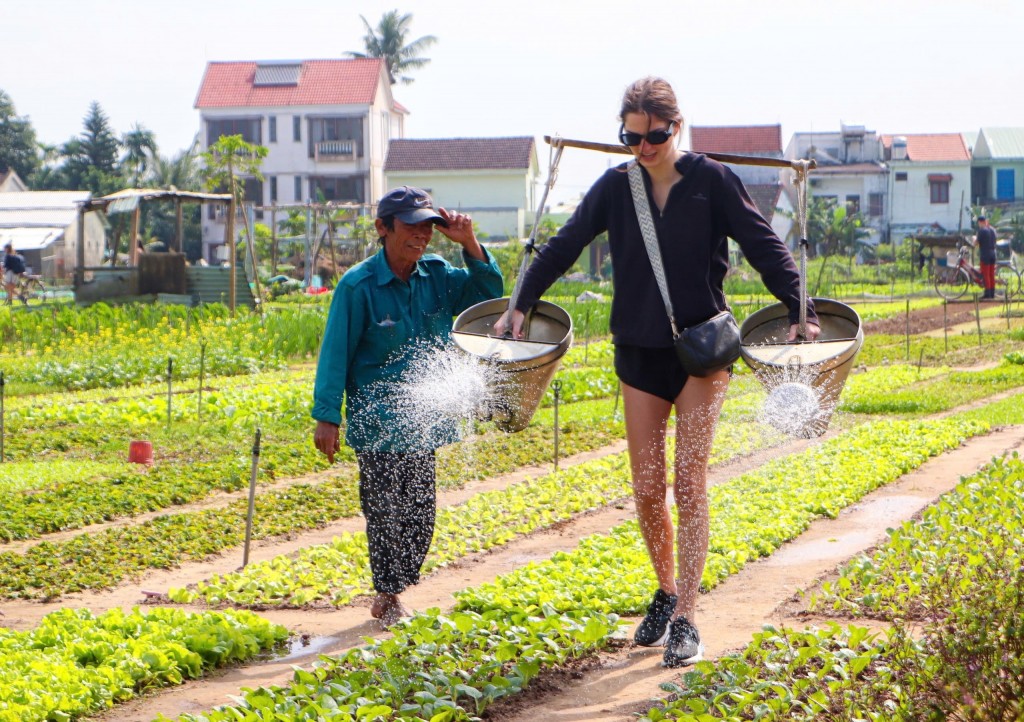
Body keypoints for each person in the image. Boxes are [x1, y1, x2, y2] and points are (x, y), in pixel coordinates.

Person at [495, 77, 820, 668]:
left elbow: (765, 245)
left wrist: (801, 308)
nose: (643, 147)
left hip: (701, 353)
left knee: (688, 484)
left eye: (655, 135)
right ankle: (666, 590)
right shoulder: (617, 188)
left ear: (677, 126)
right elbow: (563, 246)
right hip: (639, 354)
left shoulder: (714, 182)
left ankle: (688, 617)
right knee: (647, 489)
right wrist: (520, 300)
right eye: (632, 137)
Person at [312, 186, 503, 629]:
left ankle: (396, 582)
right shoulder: (358, 285)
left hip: (424, 418)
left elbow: (486, 294)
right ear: (383, 228)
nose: (421, 237)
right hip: (377, 418)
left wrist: (470, 243)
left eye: (428, 228)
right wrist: (327, 417)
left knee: (420, 511)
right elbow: (335, 351)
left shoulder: (437, 275)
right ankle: (389, 592)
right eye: (411, 227)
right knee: (383, 508)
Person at [976, 216, 997, 299]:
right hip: (993, 253)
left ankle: (987, 293)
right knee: (992, 274)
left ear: (980, 222)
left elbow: (977, 242)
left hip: (985, 254)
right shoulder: (992, 230)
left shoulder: (982, 230)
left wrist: (974, 241)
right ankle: (992, 292)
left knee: (986, 274)